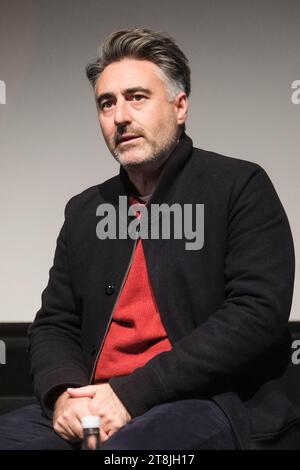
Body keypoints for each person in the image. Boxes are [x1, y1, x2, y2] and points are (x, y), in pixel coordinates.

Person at [0, 28, 298, 450]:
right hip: (94, 402)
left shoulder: (239, 185)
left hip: (204, 401)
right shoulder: (85, 210)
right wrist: (64, 396)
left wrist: (130, 395)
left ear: (180, 107)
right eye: (107, 103)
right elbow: (55, 323)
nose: (120, 115)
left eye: (137, 97)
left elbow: (256, 315)